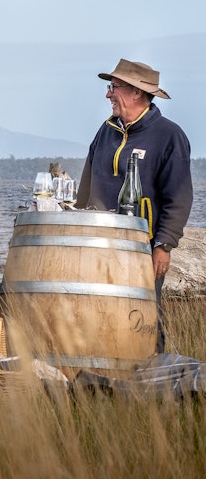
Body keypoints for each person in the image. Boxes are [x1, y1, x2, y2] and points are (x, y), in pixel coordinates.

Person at [76, 58, 193, 353]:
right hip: (99, 247)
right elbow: (86, 187)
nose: (108, 94)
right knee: (98, 315)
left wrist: (163, 245)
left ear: (137, 92)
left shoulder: (170, 136)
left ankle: (157, 383)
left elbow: (178, 197)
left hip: (143, 249)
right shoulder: (105, 132)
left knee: (144, 320)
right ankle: (105, 383)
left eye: (113, 87)